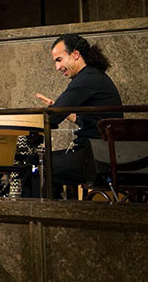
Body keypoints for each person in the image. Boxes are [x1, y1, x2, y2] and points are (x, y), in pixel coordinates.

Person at [24, 33, 123, 198]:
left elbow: (53, 117)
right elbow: (91, 122)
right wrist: (58, 110)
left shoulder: (86, 79)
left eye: (59, 60)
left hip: (99, 157)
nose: (57, 67)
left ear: (76, 55)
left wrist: (51, 112)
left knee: (37, 167)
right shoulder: (92, 76)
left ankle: (41, 218)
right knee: (34, 160)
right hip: (100, 152)